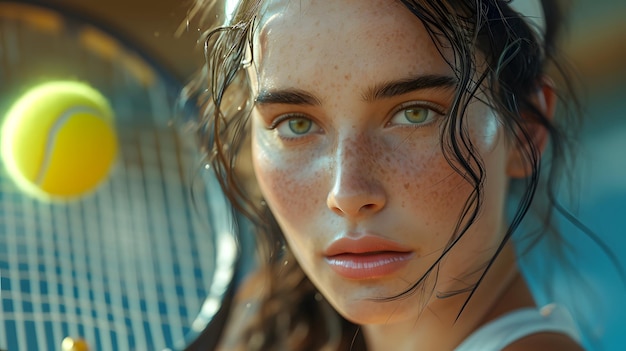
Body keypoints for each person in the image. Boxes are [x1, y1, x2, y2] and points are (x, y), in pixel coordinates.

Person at [183, 0, 588, 350]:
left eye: (415, 114)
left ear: (525, 129)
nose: (347, 192)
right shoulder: (266, 327)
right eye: (295, 124)